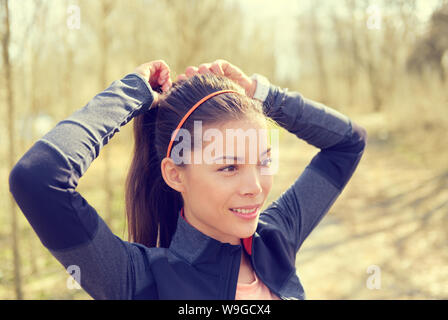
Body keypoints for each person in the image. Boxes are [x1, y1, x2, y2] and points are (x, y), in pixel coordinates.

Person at [9, 59, 367, 300]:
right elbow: (38, 177)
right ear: (174, 174)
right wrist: (131, 93)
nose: (255, 187)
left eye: (263, 161)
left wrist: (261, 93)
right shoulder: (141, 279)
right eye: (229, 167)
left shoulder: (276, 239)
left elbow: (347, 144)